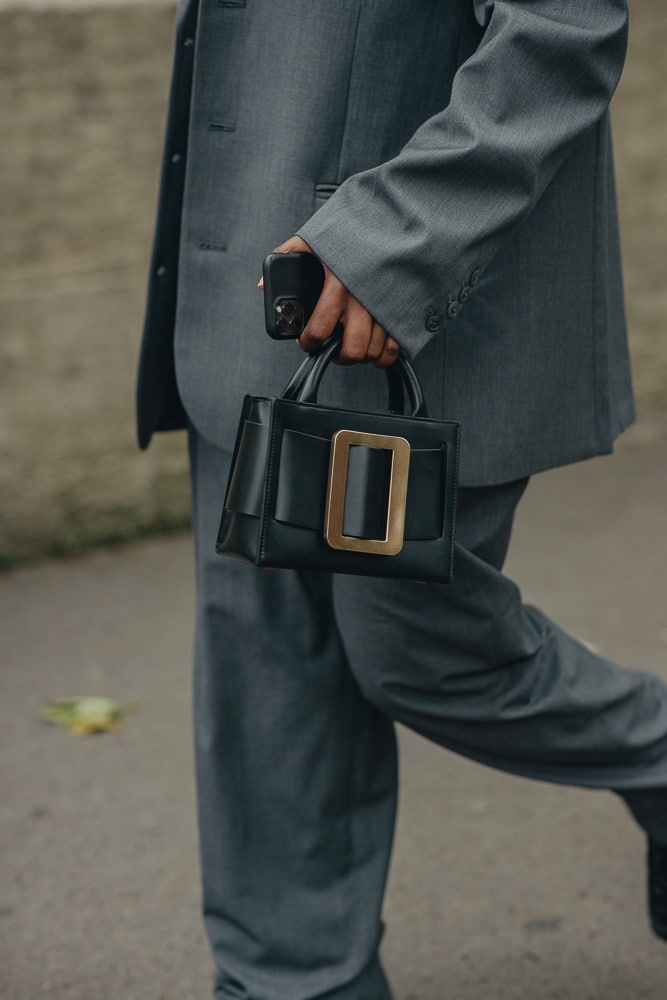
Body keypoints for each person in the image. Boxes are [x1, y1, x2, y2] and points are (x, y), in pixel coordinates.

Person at [136, 1, 667, 997]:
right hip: (257, 273)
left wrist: (398, 240)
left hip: (417, 284)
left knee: (422, 654)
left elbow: (562, 24)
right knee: (267, 674)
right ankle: (293, 979)